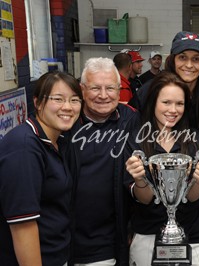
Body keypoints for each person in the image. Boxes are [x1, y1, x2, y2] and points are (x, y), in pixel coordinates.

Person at [124, 71, 199, 266]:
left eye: (179, 104)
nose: (173, 110)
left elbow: (193, 197)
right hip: (148, 235)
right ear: (153, 102)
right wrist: (140, 179)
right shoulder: (135, 140)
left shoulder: (196, 140)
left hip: (192, 237)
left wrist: (198, 179)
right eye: (166, 102)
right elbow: (145, 198)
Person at [61, 57, 140, 266]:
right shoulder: (66, 124)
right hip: (70, 238)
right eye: (96, 88)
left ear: (119, 89)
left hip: (115, 238)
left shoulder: (132, 120)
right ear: (82, 89)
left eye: (111, 88)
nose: (103, 95)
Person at [0, 71, 82, 266]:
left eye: (75, 100)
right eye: (58, 99)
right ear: (37, 102)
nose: (68, 107)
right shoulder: (24, 148)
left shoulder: (58, 141)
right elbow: (23, 226)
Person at [134, 31, 199, 134]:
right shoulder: (150, 90)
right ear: (173, 60)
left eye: (196, 59)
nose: (189, 65)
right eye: (182, 57)